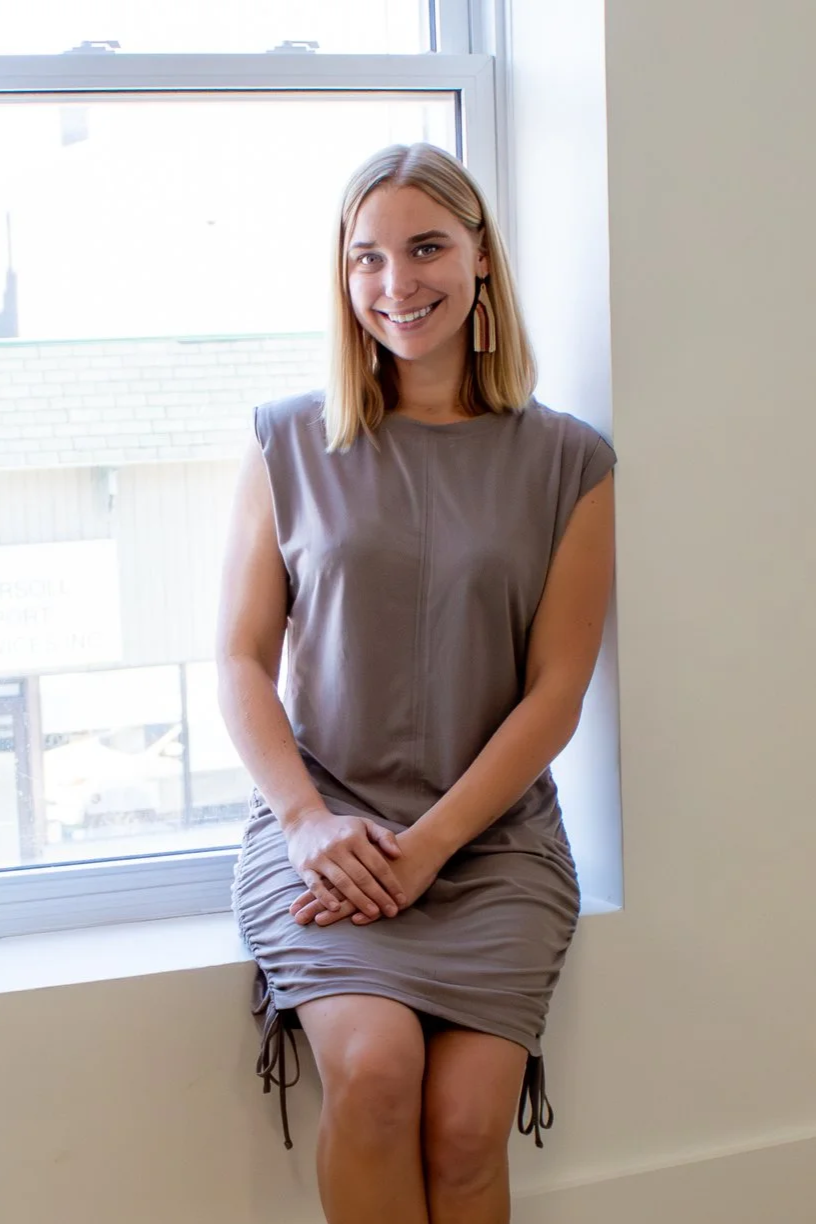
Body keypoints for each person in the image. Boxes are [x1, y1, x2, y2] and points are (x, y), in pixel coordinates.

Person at [216, 142, 616, 1224]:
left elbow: (557, 695)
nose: (399, 285)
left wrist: (432, 844)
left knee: (466, 1129)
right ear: (344, 280)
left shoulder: (572, 462)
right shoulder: (287, 442)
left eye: (428, 248)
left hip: (492, 849)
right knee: (380, 1078)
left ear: (481, 257)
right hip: (324, 839)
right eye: (368, 259)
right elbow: (240, 661)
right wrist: (304, 823)